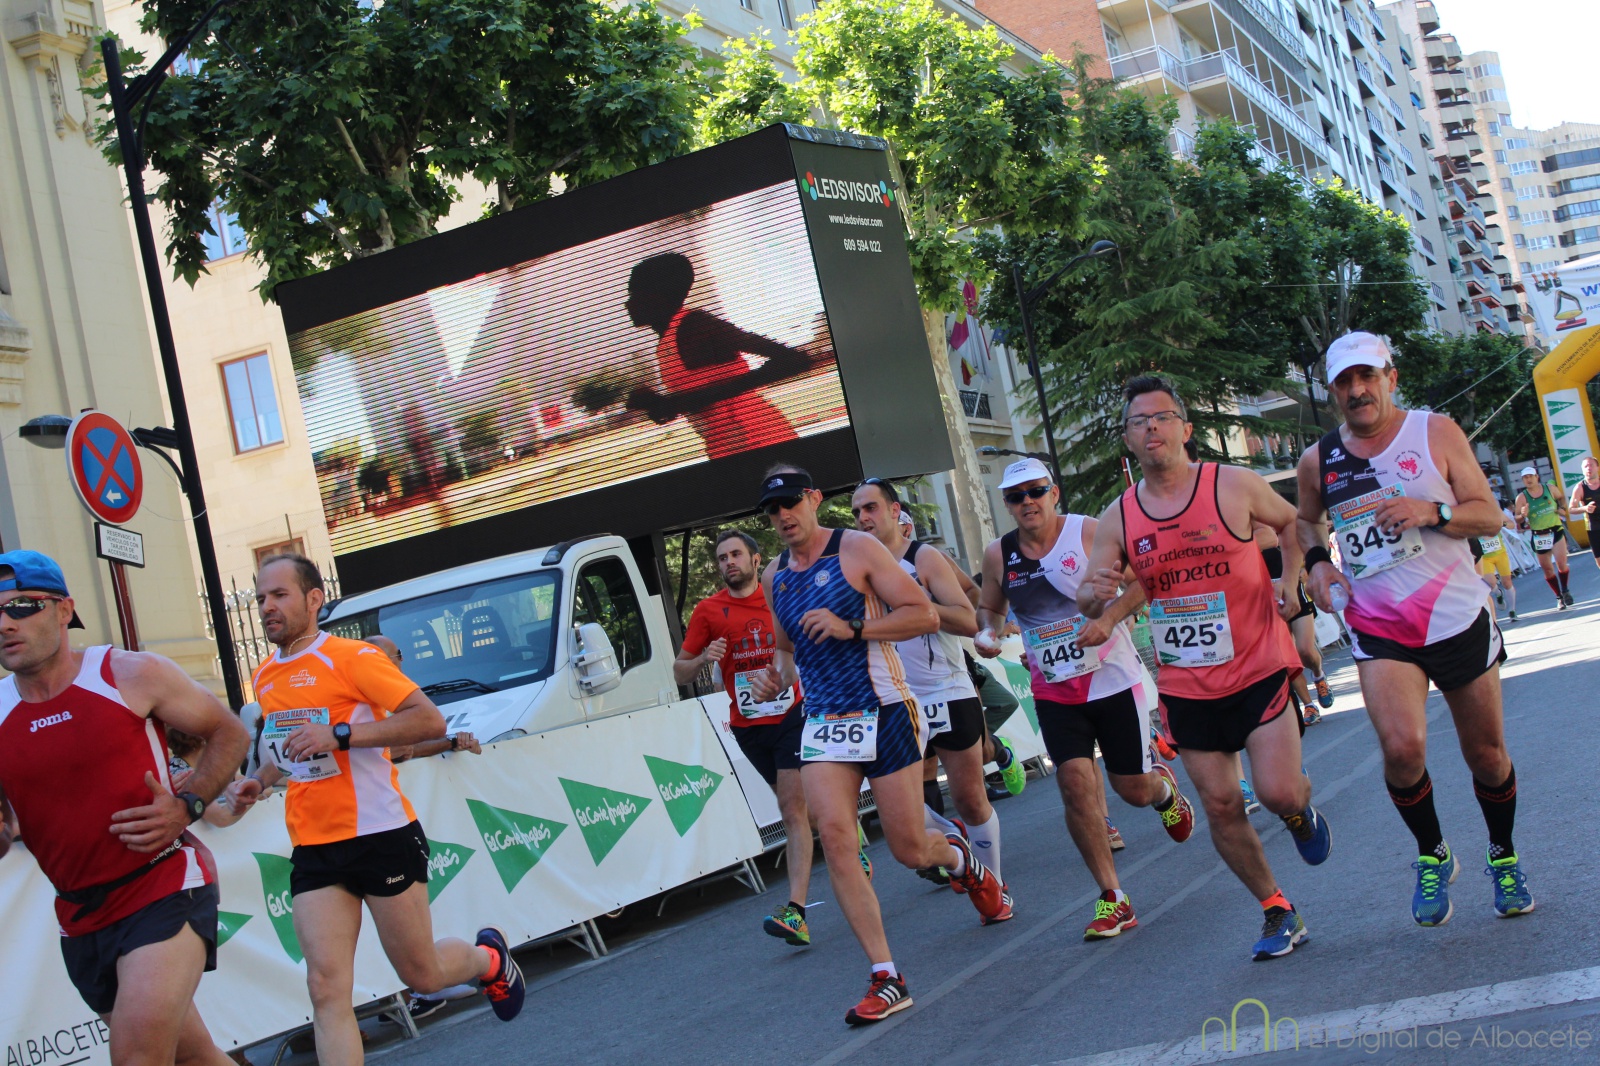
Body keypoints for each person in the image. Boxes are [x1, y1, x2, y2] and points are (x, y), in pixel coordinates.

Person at [222, 555, 525, 1066]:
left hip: (380, 833)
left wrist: (341, 735)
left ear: (313, 599)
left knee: (422, 974)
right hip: (315, 846)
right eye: (261, 599)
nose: (268, 608)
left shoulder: (353, 658)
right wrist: (259, 780)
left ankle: (489, 959)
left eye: (280, 595)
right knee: (326, 990)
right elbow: (286, 749)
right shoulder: (266, 674)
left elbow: (426, 720)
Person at [1081, 377, 1332, 961]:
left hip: (1259, 663)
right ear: (1128, 437)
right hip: (1188, 682)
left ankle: (1299, 810)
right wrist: (1094, 594)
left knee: (1276, 791)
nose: (1152, 429)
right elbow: (1091, 591)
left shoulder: (1232, 484)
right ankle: (1276, 909)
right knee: (1221, 804)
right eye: (1140, 421)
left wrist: (1290, 586)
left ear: (1186, 429)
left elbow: (1298, 524)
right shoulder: (1118, 516)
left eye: (1163, 417)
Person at [748, 466, 1004, 1025]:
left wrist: (853, 629)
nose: (783, 516)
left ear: (815, 499)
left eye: (791, 503)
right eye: (772, 510)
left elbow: (924, 614)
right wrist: (775, 679)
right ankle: (886, 976)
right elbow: (788, 653)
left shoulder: (857, 549)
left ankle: (964, 861)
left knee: (912, 849)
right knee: (837, 838)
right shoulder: (775, 576)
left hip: (886, 710)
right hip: (824, 723)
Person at [1296, 332, 1531, 926]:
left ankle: (1502, 855)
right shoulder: (1318, 460)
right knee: (1402, 751)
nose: (1358, 390)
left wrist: (1434, 512)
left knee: (1487, 756)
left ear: (1390, 378)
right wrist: (1318, 563)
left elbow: (1488, 512)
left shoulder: (1435, 432)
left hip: (1455, 617)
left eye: (1367, 377)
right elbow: (1303, 523)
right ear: (1333, 393)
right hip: (1380, 627)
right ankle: (1432, 854)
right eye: (1345, 382)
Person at [0, 550, 250, 1066]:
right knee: (195, 1056)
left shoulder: (128, 674)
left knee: (138, 1058)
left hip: (162, 886)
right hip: (81, 913)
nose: (5, 623)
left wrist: (188, 804)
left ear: (64, 609)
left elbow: (228, 730)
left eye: (22, 606)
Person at [976, 458, 1196, 941]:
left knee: (1132, 790)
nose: (1027, 502)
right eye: (1016, 497)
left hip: (1113, 680)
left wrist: (1109, 618)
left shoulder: (1091, 532)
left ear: (1054, 493)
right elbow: (990, 606)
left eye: (1035, 491)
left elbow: (1145, 581)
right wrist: (988, 632)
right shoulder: (999, 555)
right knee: (1075, 786)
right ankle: (1112, 897)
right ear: (1008, 505)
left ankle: (1163, 791)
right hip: (1055, 690)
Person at [674, 528, 843, 948]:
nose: (728, 562)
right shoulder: (708, 611)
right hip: (748, 726)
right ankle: (844, 830)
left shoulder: (779, 594)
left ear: (755, 559)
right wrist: (702, 659)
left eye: (735, 554)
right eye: (721, 557)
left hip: (792, 714)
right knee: (802, 812)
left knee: (791, 809)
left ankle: (796, 912)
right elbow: (679, 671)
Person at [851, 479, 1011, 912]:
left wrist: (917, 606)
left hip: (946, 690)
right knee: (898, 805)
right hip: (895, 699)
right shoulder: (857, 571)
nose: (864, 519)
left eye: (871, 509)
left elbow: (964, 617)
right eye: (857, 513)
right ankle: (956, 844)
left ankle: (994, 885)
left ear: (893, 511)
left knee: (970, 797)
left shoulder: (923, 557)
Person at [621, 252, 821, 459]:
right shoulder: (668, 340)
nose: (627, 305)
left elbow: (794, 360)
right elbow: (705, 394)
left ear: (657, 297)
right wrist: (663, 404)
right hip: (729, 445)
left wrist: (690, 400)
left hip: (759, 440)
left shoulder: (695, 326)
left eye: (634, 295)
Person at [1254, 525, 1333, 723]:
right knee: (1288, 657)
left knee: (1305, 650)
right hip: (1267, 596)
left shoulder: (1268, 517)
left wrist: (1306, 567)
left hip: (1293, 589)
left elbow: (1292, 539)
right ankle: (1309, 706)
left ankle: (1319, 675)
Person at [360, 637, 481, 762]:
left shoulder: (398, 697)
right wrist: (451, 741)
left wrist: (454, 741)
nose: (403, 659)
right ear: (383, 662)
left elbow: (416, 743)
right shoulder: (360, 704)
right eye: (399, 654)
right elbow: (406, 748)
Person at [1513, 467, 1573, 609]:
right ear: (1522, 480)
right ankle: (1558, 597)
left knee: (1562, 564)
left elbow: (1561, 497)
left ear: (1537, 477)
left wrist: (1562, 508)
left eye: (1531, 476)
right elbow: (1517, 519)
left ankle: (1565, 590)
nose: (1528, 479)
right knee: (1547, 570)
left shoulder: (1550, 488)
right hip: (1539, 535)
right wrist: (1522, 514)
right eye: (1525, 477)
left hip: (1556, 530)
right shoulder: (1521, 497)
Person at [1476, 513, 1520, 623]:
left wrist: (1502, 523)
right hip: (1485, 557)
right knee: (1490, 583)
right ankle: (1498, 593)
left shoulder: (1494, 510)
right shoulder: (1470, 514)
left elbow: (1511, 524)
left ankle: (1512, 610)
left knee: (1507, 582)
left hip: (1500, 553)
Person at [1568, 455, 1600, 572]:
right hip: (1594, 528)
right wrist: (1585, 508)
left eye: (1591, 465)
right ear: (1582, 470)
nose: (1588, 468)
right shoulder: (1580, 487)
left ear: (1597, 467)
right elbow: (1571, 509)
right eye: (1585, 466)